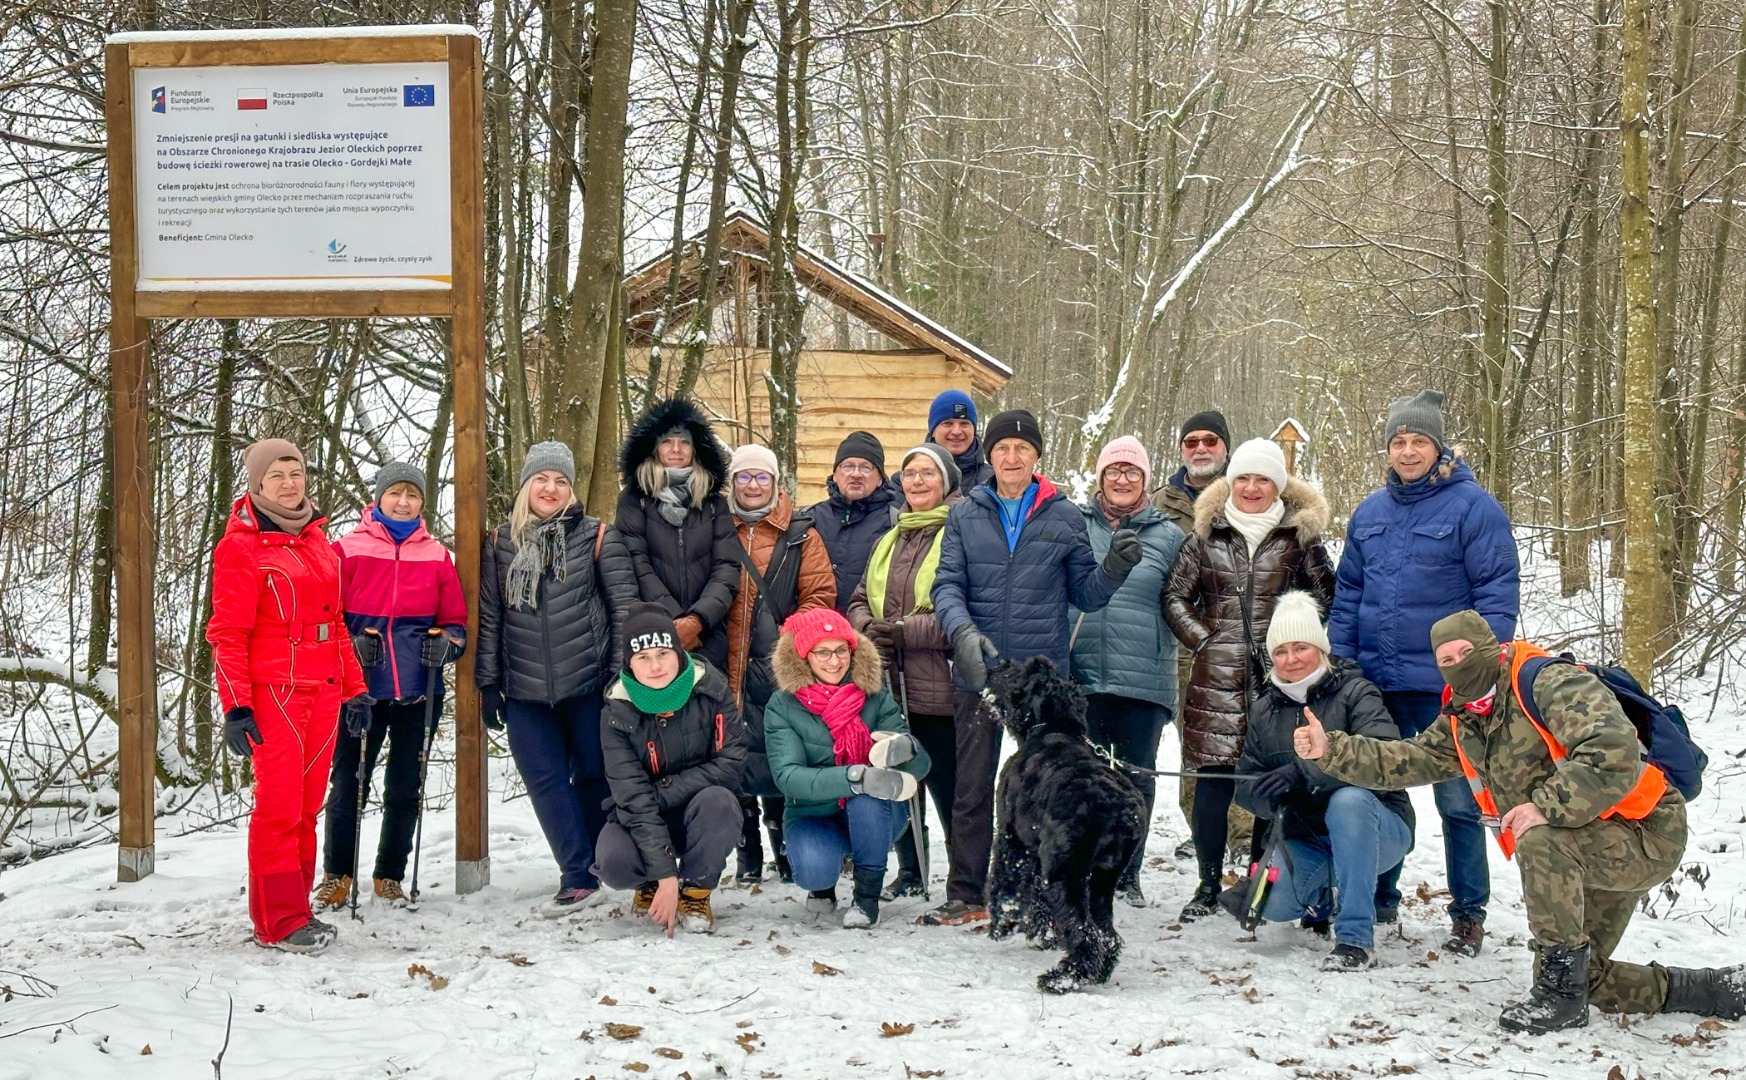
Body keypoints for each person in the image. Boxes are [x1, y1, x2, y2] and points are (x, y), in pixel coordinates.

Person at [1295, 611, 1746, 1032]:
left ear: (1491, 647)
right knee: (1585, 976)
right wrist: (1330, 749)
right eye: (1445, 660)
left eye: (1465, 654)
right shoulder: (1465, 715)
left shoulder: (1550, 682)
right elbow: (1409, 759)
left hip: (1643, 831)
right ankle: (1714, 989)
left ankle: (1559, 997)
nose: (1456, 666)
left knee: (1541, 839)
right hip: (1586, 844)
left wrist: (1544, 806)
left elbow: (1612, 752)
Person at [928, 408, 1141, 924]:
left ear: (1037, 456)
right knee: (973, 786)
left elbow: (1085, 593)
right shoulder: (965, 513)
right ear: (989, 454)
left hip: (1042, 684)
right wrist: (962, 633)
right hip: (981, 672)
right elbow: (946, 585)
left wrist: (1114, 567)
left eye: (1022, 448)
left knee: (1051, 786)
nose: (1011, 456)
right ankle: (968, 891)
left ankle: (1047, 890)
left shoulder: (1064, 516)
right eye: (1002, 447)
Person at [1327, 388, 1520, 956]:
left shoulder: (1473, 508)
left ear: (1439, 447)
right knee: (1380, 783)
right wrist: (1342, 662)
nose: (1408, 451)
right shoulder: (1369, 513)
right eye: (1398, 441)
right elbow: (1347, 597)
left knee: (1459, 800)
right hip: (1377, 684)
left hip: (1445, 687)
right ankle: (1382, 895)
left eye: (1419, 441)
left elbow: (1497, 594)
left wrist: (1481, 671)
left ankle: (1468, 912)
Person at [208, 439, 369, 954]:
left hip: (322, 691)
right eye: (276, 474)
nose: (288, 482)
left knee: (305, 808)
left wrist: (356, 689)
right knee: (278, 808)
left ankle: (296, 910)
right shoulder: (241, 546)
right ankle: (277, 921)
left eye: (295, 471)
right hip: (273, 692)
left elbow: (336, 624)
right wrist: (236, 706)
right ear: (257, 484)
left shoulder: (318, 541)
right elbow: (227, 633)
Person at [1164, 436, 1333, 922]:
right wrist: (1203, 639)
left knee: (1270, 782)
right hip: (1214, 678)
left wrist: (1295, 647)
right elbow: (1175, 596)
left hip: (1277, 682)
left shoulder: (1298, 537)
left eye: (1263, 479)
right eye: (1244, 478)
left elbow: (1327, 598)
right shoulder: (1206, 535)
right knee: (1214, 782)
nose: (1252, 487)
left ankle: (1261, 879)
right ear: (1230, 482)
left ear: (1277, 485)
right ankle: (1207, 881)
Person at [477, 441, 639, 915]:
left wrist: (617, 680)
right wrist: (488, 682)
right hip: (524, 689)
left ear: (571, 489)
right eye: (543, 480)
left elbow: (623, 610)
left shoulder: (597, 537)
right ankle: (576, 873)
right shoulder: (500, 542)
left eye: (561, 481)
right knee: (544, 780)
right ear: (527, 485)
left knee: (593, 777)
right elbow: (490, 616)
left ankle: (598, 867)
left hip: (589, 684)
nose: (551, 489)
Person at [1232, 591, 1413, 970]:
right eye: (1280, 651)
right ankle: (1322, 900)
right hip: (1309, 836)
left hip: (1377, 826)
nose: (1291, 659)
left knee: (1348, 802)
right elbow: (1245, 782)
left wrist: (1307, 771)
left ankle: (1354, 938)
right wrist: (1267, 796)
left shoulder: (1355, 692)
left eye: (1301, 647)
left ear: (1320, 647)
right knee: (1274, 901)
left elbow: (1385, 756)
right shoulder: (1264, 708)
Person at [315, 463, 466, 912]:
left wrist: (449, 647)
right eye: (395, 493)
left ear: (423, 502)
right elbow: (325, 618)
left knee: (405, 786)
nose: (404, 502)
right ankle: (337, 875)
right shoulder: (345, 551)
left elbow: (455, 621)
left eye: (413, 495)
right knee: (348, 784)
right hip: (359, 687)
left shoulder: (437, 556)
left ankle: (389, 875)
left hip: (419, 690)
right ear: (378, 499)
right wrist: (352, 643)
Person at [1069, 435, 1187, 907]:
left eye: (1132, 472)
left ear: (1146, 480)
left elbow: (1183, 600)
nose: (1122, 479)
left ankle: (1127, 873)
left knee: (1136, 779)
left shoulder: (1169, 535)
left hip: (1144, 676)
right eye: (1113, 471)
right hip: (1084, 673)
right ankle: (1084, 866)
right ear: (1100, 477)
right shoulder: (1073, 525)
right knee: (1086, 777)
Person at [764, 607, 932, 928]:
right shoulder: (783, 705)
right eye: (822, 652)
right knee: (814, 868)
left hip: (875, 814)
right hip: (813, 812)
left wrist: (908, 751)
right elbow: (788, 776)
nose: (835, 661)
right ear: (804, 656)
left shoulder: (874, 695)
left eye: (842, 650)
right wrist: (854, 776)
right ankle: (823, 886)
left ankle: (866, 900)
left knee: (869, 794)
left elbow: (919, 769)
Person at [848, 443, 964, 899]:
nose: (917, 482)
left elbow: (960, 612)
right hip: (889, 685)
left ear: (946, 482)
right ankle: (912, 872)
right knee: (899, 781)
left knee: (951, 788)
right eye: (910, 474)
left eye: (928, 474)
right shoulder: (890, 538)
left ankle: (964, 877)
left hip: (942, 686)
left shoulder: (959, 533)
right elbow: (859, 598)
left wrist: (904, 630)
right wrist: (867, 631)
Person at [722, 443, 835, 883]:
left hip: (781, 662)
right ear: (732, 483)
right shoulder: (716, 529)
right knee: (731, 749)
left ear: (775, 482)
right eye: (744, 477)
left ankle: (784, 846)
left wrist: (790, 639)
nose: (752, 486)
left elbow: (820, 594)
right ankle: (745, 849)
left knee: (779, 749)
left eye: (761, 477)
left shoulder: (801, 534)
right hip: (726, 658)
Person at [597, 604, 747, 935]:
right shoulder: (616, 712)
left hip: (701, 811)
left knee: (720, 803)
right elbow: (634, 797)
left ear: (679, 653)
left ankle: (695, 893)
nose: (655, 666)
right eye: (643, 658)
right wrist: (665, 875)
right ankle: (650, 885)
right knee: (613, 860)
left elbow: (731, 764)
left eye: (663, 653)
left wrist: (663, 789)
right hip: (646, 818)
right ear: (629, 663)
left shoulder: (710, 688)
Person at [1152, 409, 1239, 859]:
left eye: (1210, 441)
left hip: (1237, 642)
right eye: (1192, 442)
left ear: (1225, 447)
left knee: (1237, 740)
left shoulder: (1246, 494)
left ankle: (1242, 836)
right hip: (1178, 641)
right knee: (1194, 742)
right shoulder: (1157, 504)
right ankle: (1203, 831)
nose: (1201, 448)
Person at [616, 397, 741, 668]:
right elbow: (635, 564)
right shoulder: (634, 500)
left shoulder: (713, 503)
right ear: (654, 448)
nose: (676, 449)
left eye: (684, 442)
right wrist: (673, 622)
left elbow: (727, 568)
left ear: (695, 449)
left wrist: (696, 621)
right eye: (667, 442)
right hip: (654, 634)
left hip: (708, 633)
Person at [808, 431, 902, 615]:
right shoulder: (810, 519)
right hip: (820, 635)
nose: (856, 474)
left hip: (872, 634)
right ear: (835, 474)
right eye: (848, 466)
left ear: (880, 479)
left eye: (866, 468)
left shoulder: (896, 524)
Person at [919, 389, 992, 493]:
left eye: (964, 423)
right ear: (933, 431)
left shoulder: (994, 480)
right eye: (947, 423)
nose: (957, 431)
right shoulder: (908, 480)